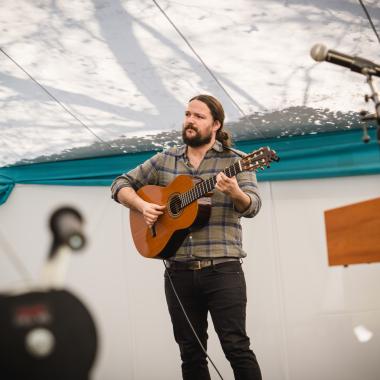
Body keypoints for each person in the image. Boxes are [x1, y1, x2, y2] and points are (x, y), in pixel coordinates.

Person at [111, 94, 262, 380]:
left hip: (223, 269)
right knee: (190, 352)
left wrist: (235, 193)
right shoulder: (166, 160)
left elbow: (252, 206)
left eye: (198, 116)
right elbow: (120, 184)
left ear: (216, 124)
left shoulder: (238, 161)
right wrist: (142, 206)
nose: (190, 121)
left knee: (236, 347)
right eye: (187, 114)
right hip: (178, 272)